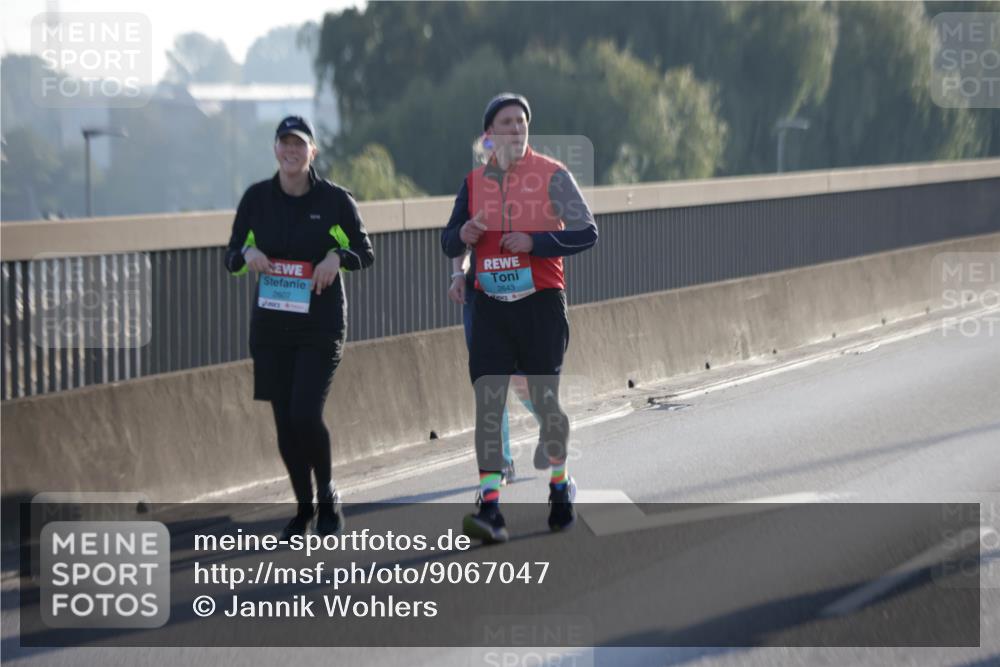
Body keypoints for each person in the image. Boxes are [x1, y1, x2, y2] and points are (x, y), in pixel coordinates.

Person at [441, 93, 598, 543]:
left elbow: (587, 232)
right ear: (489, 134)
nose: (515, 128)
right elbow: (448, 242)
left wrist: (535, 242)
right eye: (505, 122)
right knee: (489, 404)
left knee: (544, 400)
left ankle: (559, 485)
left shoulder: (552, 174)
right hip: (489, 307)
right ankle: (490, 506)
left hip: (541, 306)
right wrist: (463, 234)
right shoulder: (473, 183)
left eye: (521, 121)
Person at [225, 115, 374, 539]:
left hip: (320, 326)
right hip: (272, 328)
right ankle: (303, 510)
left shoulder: (334, 201)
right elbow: (232, 255)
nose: (291, 151)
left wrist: (335, 257)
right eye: (284, 143)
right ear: (275, 149)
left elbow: (365, 252)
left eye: (299, 144)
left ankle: (328, 498)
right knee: (285, 424)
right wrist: (249, 251)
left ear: (313, 152)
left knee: (306, 413)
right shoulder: (256, 199)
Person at [448, 248, 541, 487]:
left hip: (516, 290)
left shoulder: (523, 208)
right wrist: (457, 274)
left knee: (520, 381)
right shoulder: (468, 207)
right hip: (478, 295)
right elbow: (458, 236)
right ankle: (501, 462)